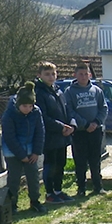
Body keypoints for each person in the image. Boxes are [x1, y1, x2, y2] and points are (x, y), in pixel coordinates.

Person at [64, 62, 108, 197]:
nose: (83, 77)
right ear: (75, 75)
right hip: (79, 133)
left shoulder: (96, 90)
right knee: (80, 161)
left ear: (89, 74)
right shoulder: (69, 92)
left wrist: (95, 122)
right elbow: (69, 111)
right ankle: (81, 188)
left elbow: (104, 108)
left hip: (96, 131)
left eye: (85, 74)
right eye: (80, 74)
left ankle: (97, 186)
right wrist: (85, 124)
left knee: (95, 160)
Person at [2, 82, 46, 214]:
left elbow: (40, 132)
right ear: (18, 104)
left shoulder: (36, 112)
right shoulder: (9, 115)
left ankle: (35, 201)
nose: (27, 109)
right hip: (12, 152)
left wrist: (36, 152)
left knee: (33, 176)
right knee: (14, 178)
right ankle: (12, 203)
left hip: (31, 150)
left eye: (30, 106)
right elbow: (9, 137)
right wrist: (21, 155)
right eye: (24, 106)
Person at [34, 61, 75, 204]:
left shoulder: (58, 90)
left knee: (61, 163)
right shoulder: (39, 93)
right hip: (50, 136)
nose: (51, 77)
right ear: (39, 75)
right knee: (50, 165)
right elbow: (43, 117)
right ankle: (50, 193)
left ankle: (58, 190)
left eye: (53, 74)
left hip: (62, 136)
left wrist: (70, 125)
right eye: (47, 74)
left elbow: (65, 109)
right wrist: (61, 127)